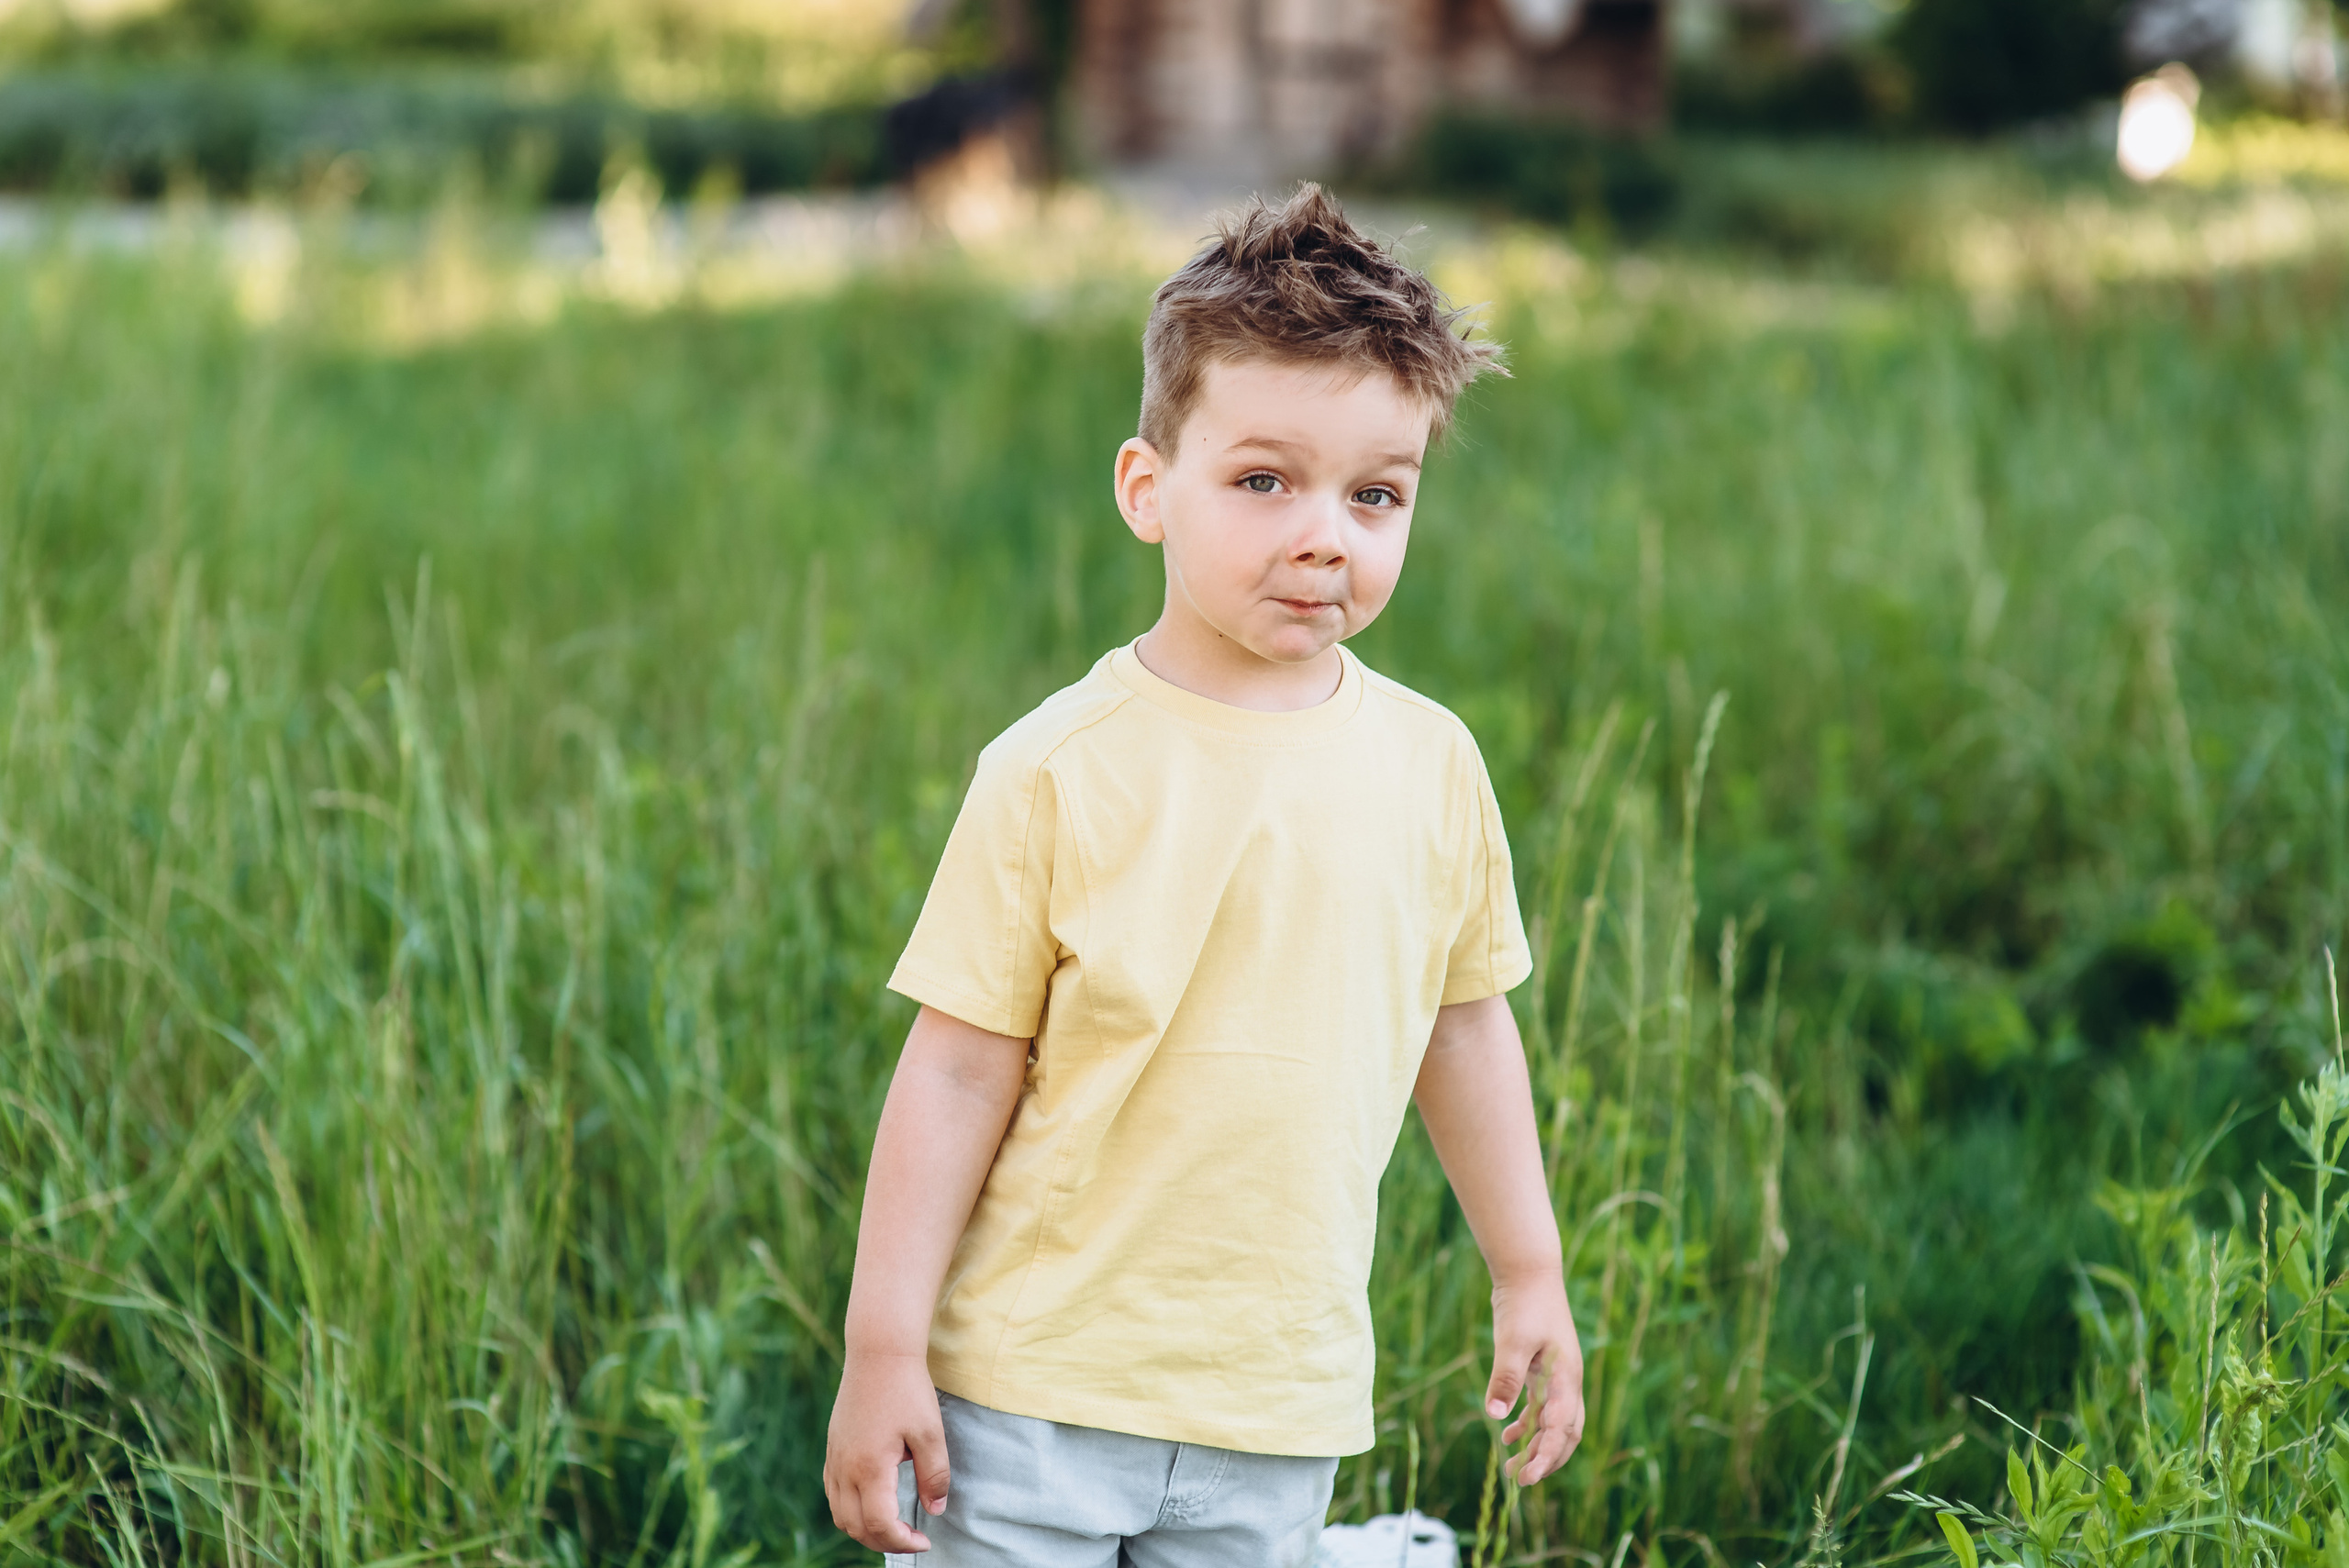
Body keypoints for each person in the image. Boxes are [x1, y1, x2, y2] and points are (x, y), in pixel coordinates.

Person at [822, 183, 1586, 1566]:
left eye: (1375, 495)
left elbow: (1464, 1027)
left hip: (1275, 1402)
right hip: (1030, 1391)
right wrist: (884, 1347)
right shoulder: (1058, 768)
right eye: (1263, 481)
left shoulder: (1430, 765)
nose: (1325, 534)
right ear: (1147, 490)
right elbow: (956, 1069)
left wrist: (1529, 1269)